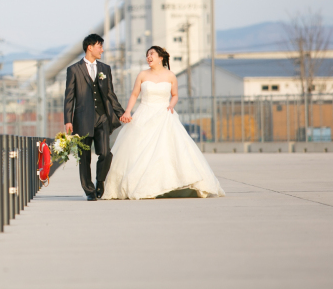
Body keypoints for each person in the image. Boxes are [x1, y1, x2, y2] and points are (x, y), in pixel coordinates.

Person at [102, 46, 225, 200]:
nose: (148, 57)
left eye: (151, 54)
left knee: (168, 150)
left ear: (161, 57)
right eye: (147, 55)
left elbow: (175, 95)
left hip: (164, 114)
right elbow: (134, 94)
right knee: (140, 150)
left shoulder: (170, 75)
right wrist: (127, 111)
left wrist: (171, 106)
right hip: (144, 113)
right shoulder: (142, 75)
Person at [63, 34, 126, 201]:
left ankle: (100, 181)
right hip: (82, 119)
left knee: (105, 153)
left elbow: (110, 94)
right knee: (84, 157)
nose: (102, 50)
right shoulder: (74, 69)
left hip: (103, 117)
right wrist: (68, 120)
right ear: (90, 47)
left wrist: (121, 113)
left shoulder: (105, 68)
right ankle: (89, 190)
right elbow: (69, 97)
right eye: (100, 46)